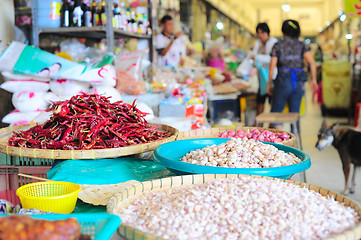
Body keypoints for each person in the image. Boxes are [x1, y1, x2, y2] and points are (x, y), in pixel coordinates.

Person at [267, 20, 318, 129]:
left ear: (283, 31)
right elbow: (312, 62)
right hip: (298, 83)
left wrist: (269, 83)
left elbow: (272, 66)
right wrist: (313, 80)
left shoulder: (278, 45)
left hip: (282, 82)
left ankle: (280, 142)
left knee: (276, 114)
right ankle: (294, 142)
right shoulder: (302, 45)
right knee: (295, 115)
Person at [253, 23, 278, 115]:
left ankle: (272, 125)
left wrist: (257, 57)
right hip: (262, 78)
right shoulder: (258, 43)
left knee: (273, 102)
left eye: (262, 33)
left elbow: (271, 59)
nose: (260, 35)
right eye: (258, 33)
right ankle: (258, 125)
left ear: (267, 33)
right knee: (260, 100)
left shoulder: (273, 43)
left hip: (272, 77)